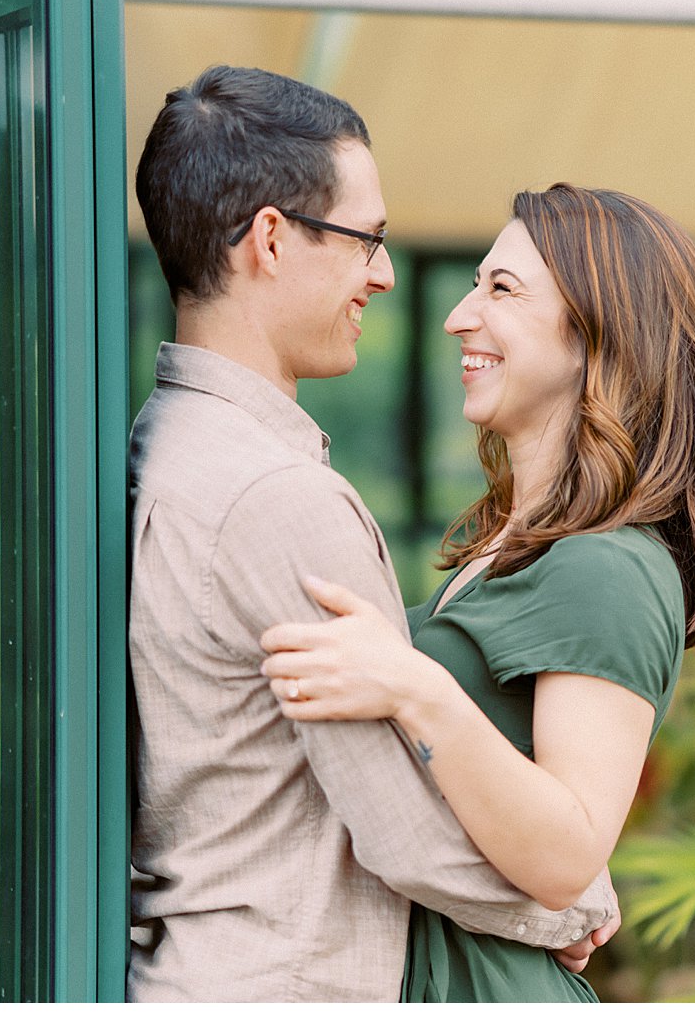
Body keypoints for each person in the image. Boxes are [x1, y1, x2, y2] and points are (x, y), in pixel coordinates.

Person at [127, 66, 617, 1003]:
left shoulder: (164, 442)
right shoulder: (281, 498)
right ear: (270, 239)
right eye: (367, 240)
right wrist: (575, 902)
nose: (386, 275)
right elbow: (402, 828)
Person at [260, 183, 695, 1002]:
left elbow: (567, 852)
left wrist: (413, 684)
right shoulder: (514, 547)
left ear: (597, 336)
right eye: (473, 284)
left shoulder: (606, 566)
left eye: (502, 289)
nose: (460, 316)